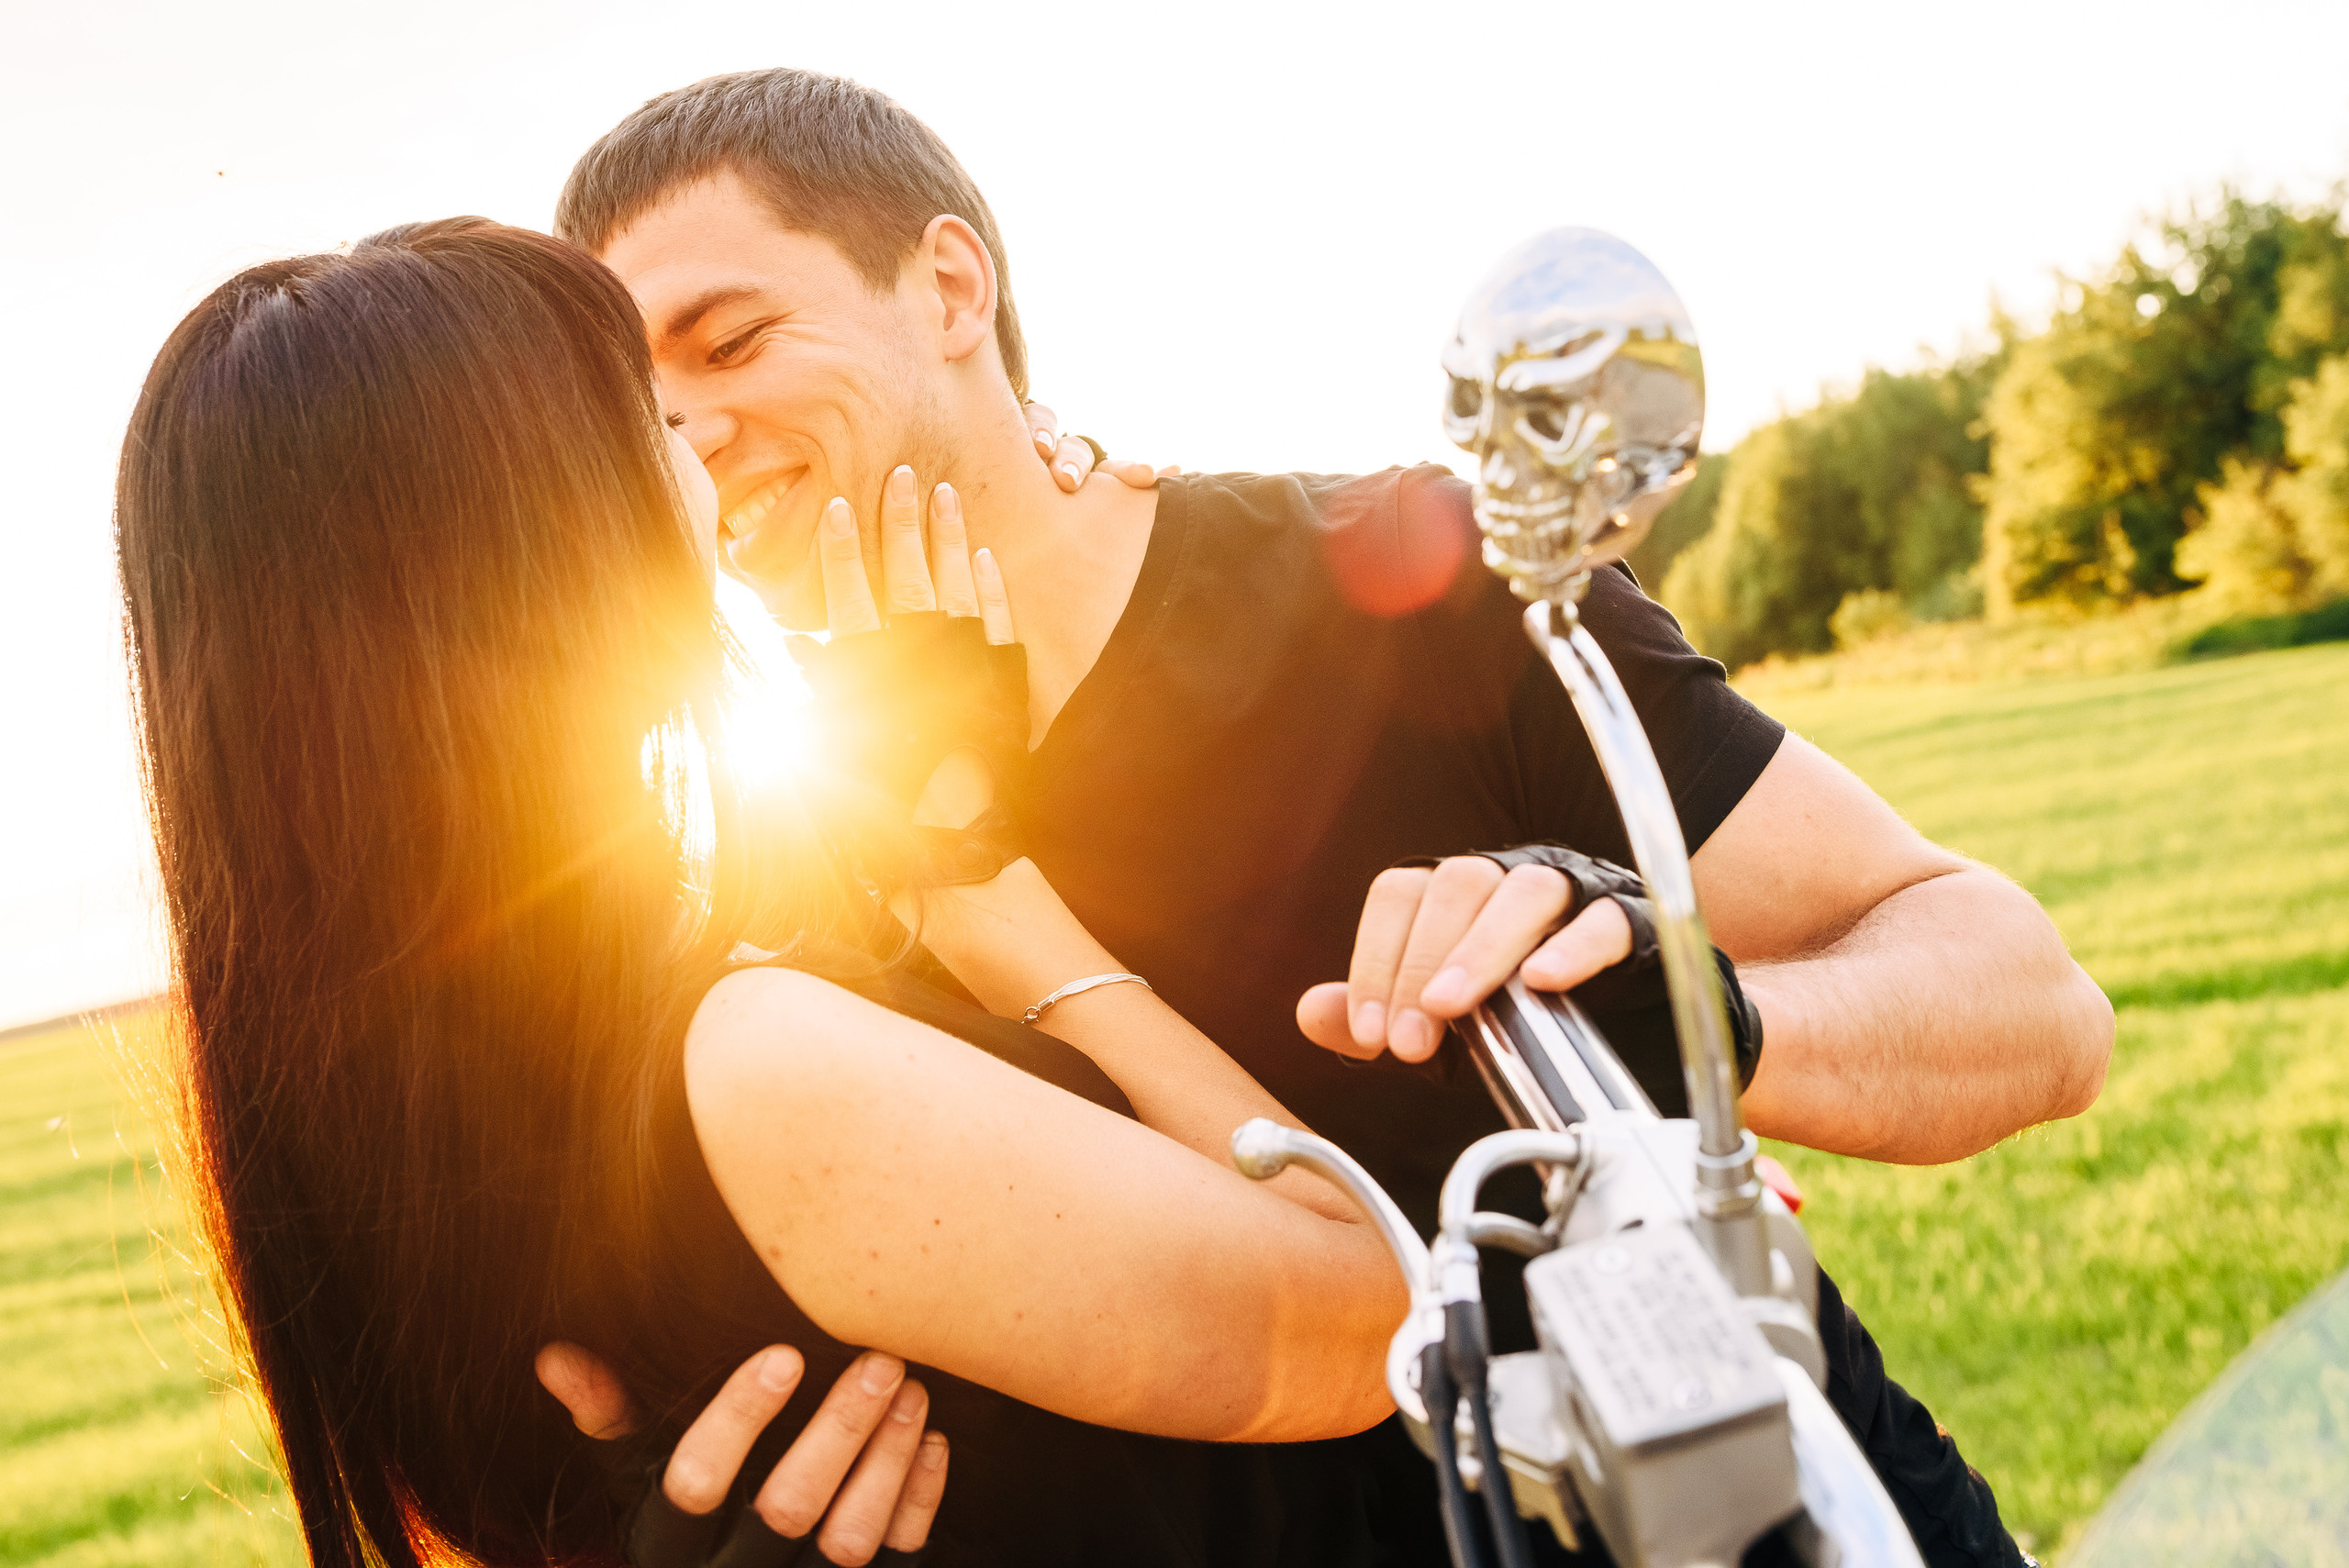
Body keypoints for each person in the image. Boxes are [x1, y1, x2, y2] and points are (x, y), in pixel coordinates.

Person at [539, 68, 2113, 1567]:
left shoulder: (1411, 588)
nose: (686, 432)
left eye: (731, 342)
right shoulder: (767, 890)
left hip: (1774, 1515)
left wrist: (1698, 1014)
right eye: (640, 399)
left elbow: (2037, 1013)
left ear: (953, 290)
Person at [118, 217, 1541, 1568]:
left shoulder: (414, 1113)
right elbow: (1382, 1314)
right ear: (547, 537)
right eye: (642, 414)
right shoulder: (753, 1063)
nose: (693, 450)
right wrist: (1009, 923)